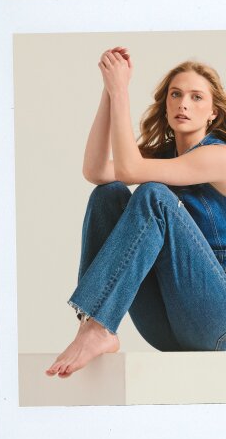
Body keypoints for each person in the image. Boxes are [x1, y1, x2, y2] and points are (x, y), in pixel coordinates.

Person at [46, 49, 226, 377]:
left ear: (213, 113)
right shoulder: (163, 159)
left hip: (218, 321)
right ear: (167, 104)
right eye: (176, 94)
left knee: (153, 195)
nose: (184, 103)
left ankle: (98, 325)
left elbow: (130, 169)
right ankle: (93, 324)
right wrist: (109, 91)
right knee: (108, 194)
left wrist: (121, 90)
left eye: (196, 97)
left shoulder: (219, 156)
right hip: (168, 329)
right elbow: (97, 170)